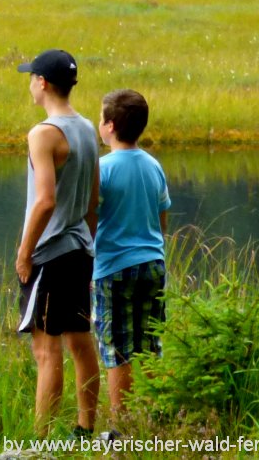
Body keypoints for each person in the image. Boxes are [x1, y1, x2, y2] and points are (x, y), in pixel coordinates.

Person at [13, 49, 101, 439]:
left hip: (49, 254)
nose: (30, 83)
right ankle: (84, 429)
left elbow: (45, 200)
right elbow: (93, 200)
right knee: (81, 343)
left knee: (46, 351)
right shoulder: (85, 127)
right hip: (81, 249)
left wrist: (24, 253)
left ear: (42, 83)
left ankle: (41, 441)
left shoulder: (44, 133)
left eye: (31, 77)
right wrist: (92, 250)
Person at [91, 89, 168, 436]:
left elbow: (90, 218)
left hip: (113, 268)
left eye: (101, 118)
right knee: (149, 343)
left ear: (109, 126)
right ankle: (151, 419)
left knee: (117, 347)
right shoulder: (153, 165)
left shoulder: (102, 169)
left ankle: (122, 428)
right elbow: (163, 218)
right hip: (153, 262)